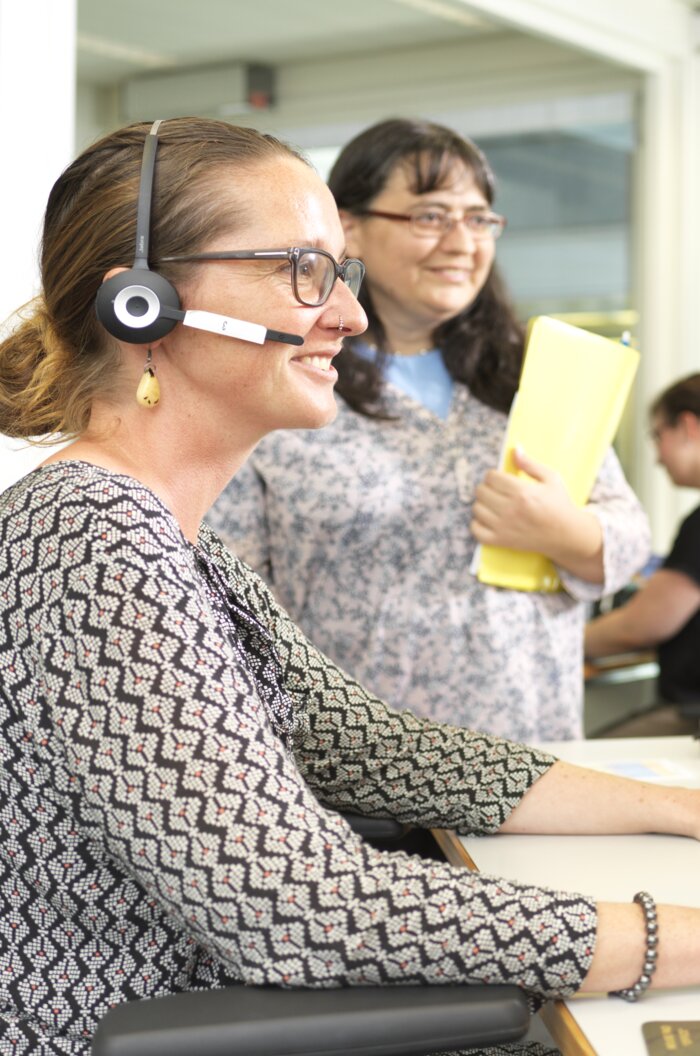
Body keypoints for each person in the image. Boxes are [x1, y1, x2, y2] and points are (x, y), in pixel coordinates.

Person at [1, 116, 699, 1056]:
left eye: (340, 272)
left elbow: (364, 743)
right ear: (142, 303)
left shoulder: (180, 544)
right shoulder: (93, 533)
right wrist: (665, 938)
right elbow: (294, 904)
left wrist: (674, 806)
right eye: (301, 270)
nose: (349, 315)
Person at [207, 117, 651, 743]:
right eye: (430, 216)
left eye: (479, 219)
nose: (462, 242)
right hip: (361, 763)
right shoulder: (289, 381)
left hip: (535, 748)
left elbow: (630, 535)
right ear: (349, 228)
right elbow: (229, 596)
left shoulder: (533, 376)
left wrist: (567, 532)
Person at [585, 373, 700, 735]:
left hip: (691, 716)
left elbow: (643, 626)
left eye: (657, 435)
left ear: (688, 426)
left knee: (579, 761)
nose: (657, 458)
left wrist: (563, 643)